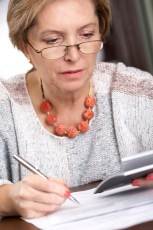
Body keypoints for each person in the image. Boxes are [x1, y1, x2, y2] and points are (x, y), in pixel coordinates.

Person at [0, 0, 153, 219]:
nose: (73, 55)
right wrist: (6, 200)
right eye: (53, 40)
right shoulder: (4, 106)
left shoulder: (137, 91)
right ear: (26, 47)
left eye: (87, 35)